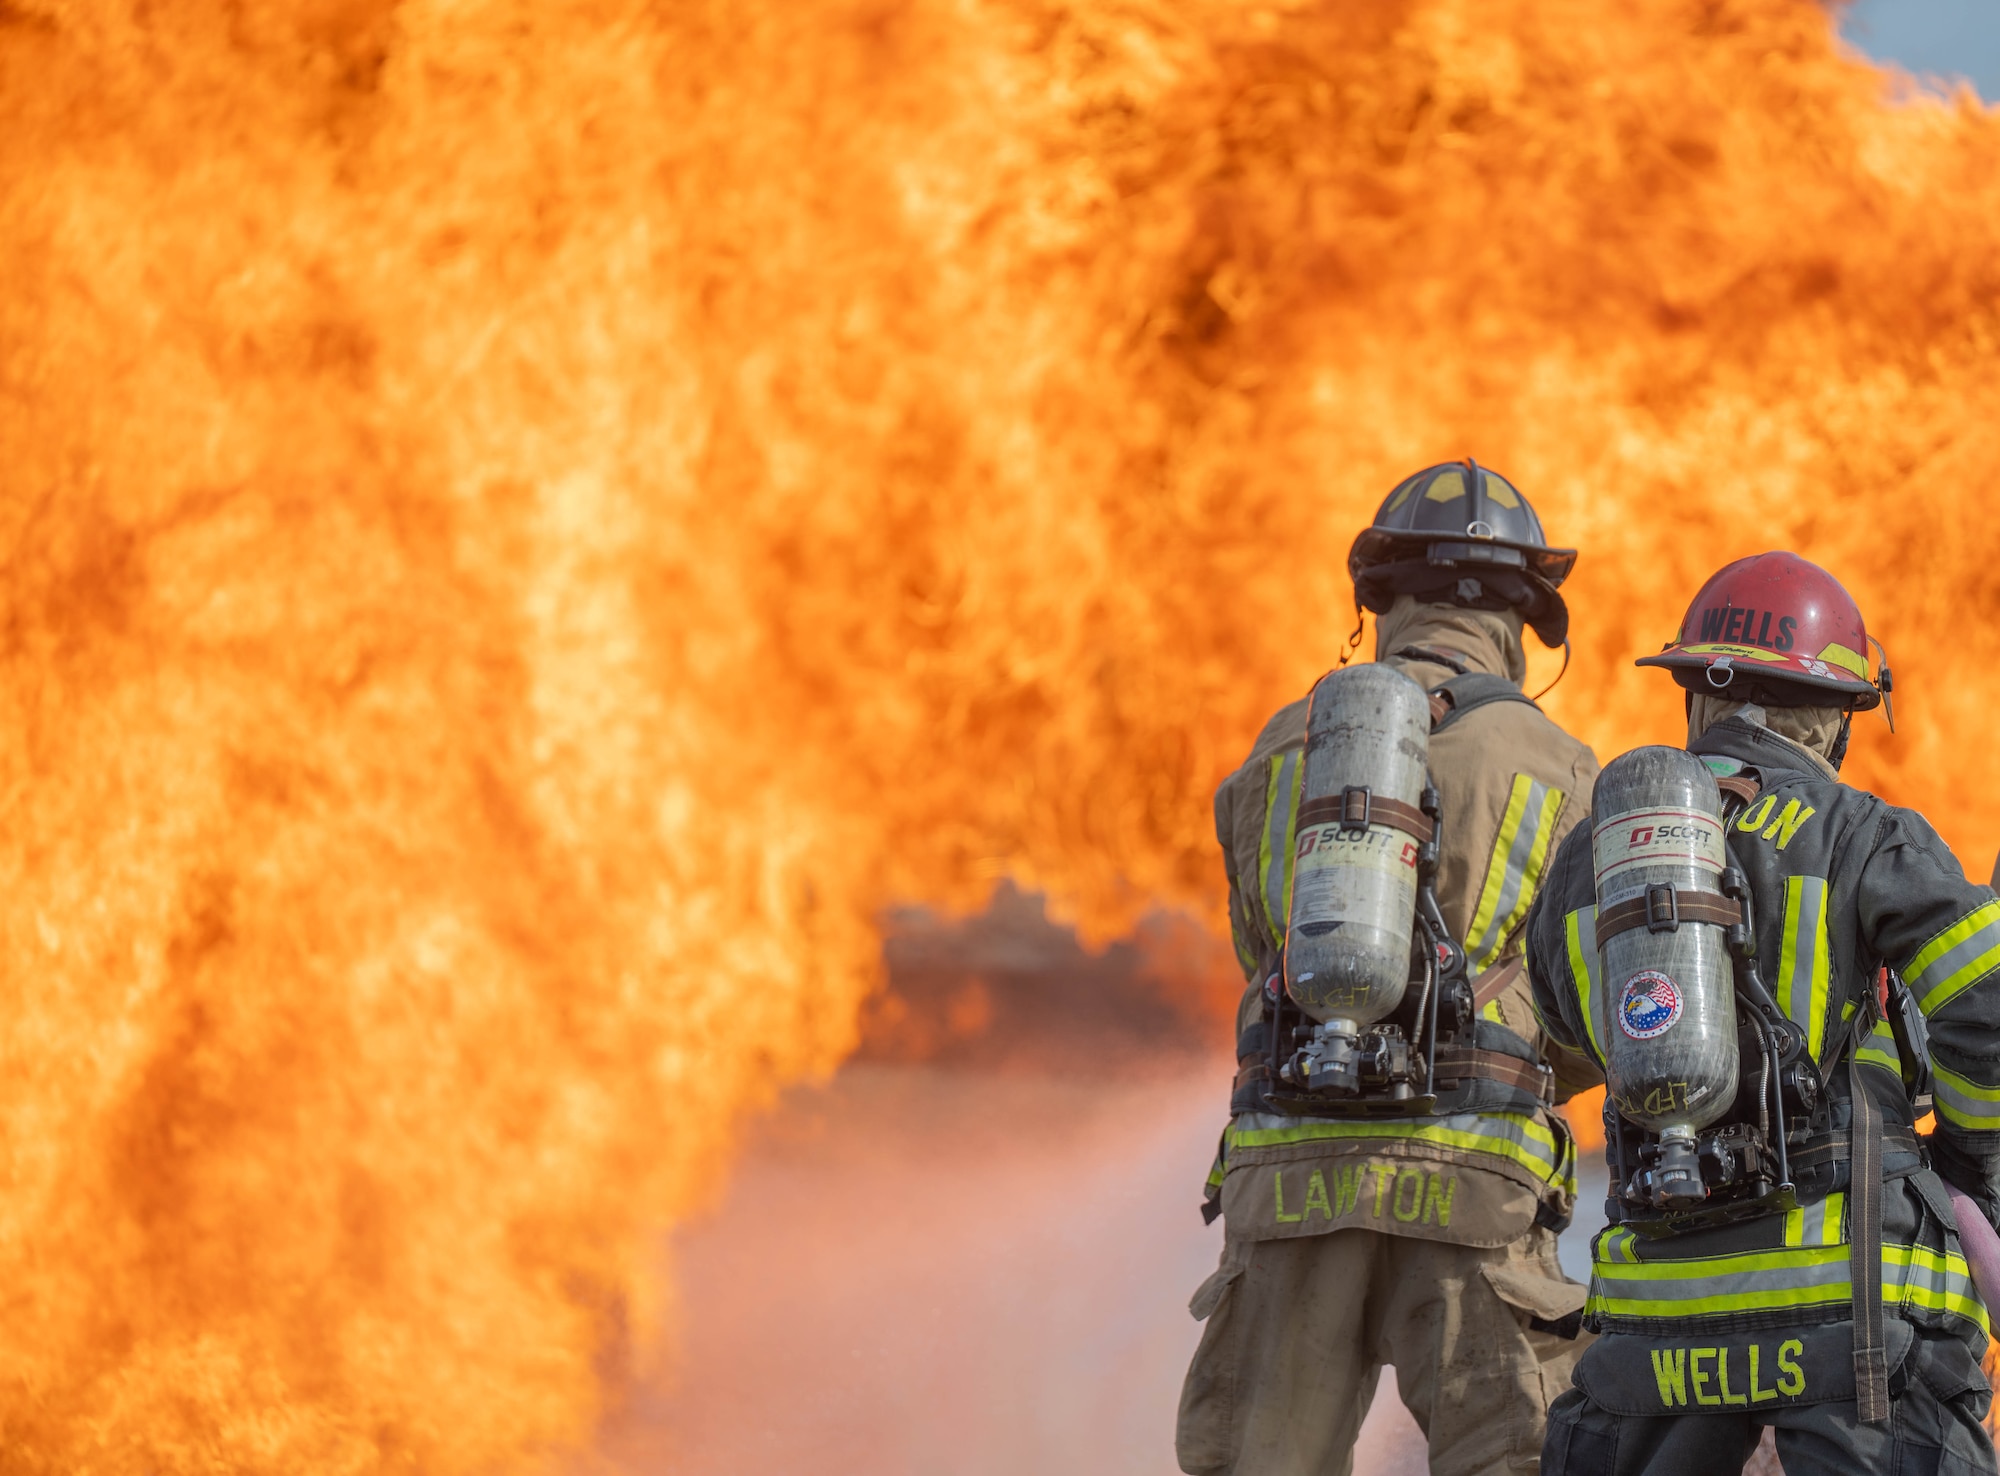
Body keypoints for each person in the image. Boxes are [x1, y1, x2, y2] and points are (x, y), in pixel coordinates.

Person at [1525, 551, 2000, 1473]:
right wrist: (1970, 1157)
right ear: (1831, 714)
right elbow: (1987, 1003)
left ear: (1697, 695)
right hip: (1856, 1315)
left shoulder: (1590, 859)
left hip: (1656, 1314)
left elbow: (1565, 1027)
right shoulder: (1865, 832)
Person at [1177, 460, 1603, 1476]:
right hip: (1471, 1191)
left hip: (1288, 1180)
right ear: (1523, 621)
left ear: (1377, 603)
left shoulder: (1283, 751)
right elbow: (1593, 1011)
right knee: (1511, 1457)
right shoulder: (1560, 769)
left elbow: (1258, 954)